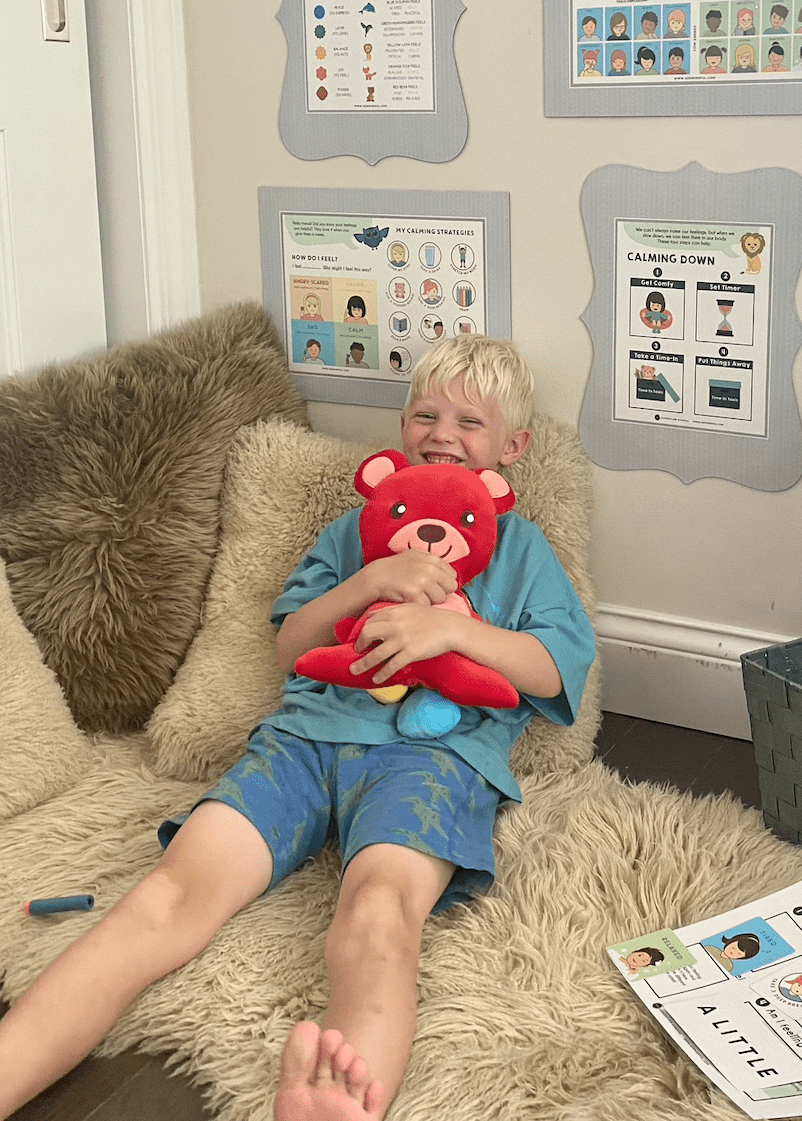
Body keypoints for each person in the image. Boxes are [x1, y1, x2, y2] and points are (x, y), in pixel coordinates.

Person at [0, 335, 597, 1121]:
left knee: (379, 913)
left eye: (469, 421)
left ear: (510, 451)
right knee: (168, 895)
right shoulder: (359, 529)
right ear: (400, 430)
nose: (441, 431)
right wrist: (371, 582)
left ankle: (336, 1103)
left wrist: (451, 634)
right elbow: (293, 646)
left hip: (433, 758)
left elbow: (554, 669)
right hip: (304, 739)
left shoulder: (521, 550)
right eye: (425, 413)